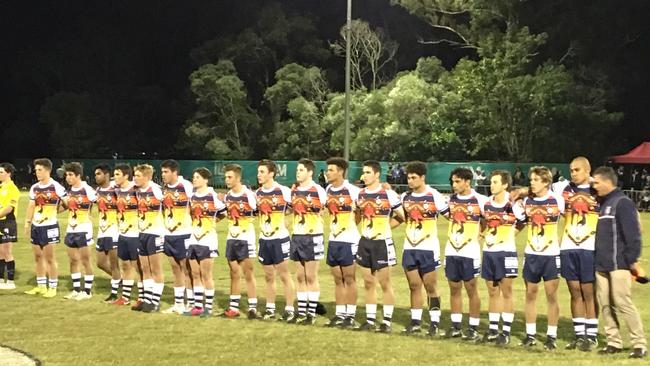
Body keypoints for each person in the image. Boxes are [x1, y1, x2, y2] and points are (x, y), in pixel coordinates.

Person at [592, 166, 647, 359]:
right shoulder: (604, 203)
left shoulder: (622, 202)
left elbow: (633, 235)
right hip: (602, 264)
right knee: (606, 305)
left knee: (623, 303)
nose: (594, 186)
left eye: (596, 182)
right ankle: (613, 341)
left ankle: (639, 343)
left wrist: (632, 261)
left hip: (619, 264)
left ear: (608, 182)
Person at [552, 157, 599, 351]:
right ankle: (580, 334)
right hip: (568, 246)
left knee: (588, 291)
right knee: (574, 290)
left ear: (588, 170)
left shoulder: (598, 190)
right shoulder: (565, 189)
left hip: (589, 247)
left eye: (577, 170)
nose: (573, 173)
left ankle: (592, 335)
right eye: (571, 170)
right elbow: (542, 186)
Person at [354, 160, 404, 333]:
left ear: (377, 175)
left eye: (368, 172)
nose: (364, 176)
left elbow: (402, 216)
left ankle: (386, 322)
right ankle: (369, 320)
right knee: (368, 282)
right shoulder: (360, 195)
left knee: (385, 283)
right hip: (365, 242)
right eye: (363, 172)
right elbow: (358, 216)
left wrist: (386, 228)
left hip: (382, 243)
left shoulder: (388, 195)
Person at [519, 166, 564, 350]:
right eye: (531, 180)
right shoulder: (527, 202)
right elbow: (519, 223)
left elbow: (570, 220)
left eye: (536, 180)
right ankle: (530, 334)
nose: (532, 183)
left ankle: (551, 336)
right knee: (530, 294)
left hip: (551, 254)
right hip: (531, 254)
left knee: (551, 296)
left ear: (546, 182)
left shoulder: (557, 201)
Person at [400, 162, 447, 336]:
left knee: (430, 286)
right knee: (413, 285)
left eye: (413, 178)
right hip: (409, 247)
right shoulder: (405, 197)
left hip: (428, 248)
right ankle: (415, 321)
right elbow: (401, 217)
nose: (410, 181)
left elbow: (451, 216)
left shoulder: (434, 195)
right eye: (408, 177)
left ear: (422, 178)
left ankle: (434, 322)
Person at [441, 167, 488, 341]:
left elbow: (489, 220)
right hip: (452, 249)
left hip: (470, 251)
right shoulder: (450, 200)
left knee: (471, 289)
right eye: (453, 181)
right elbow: (448, 217)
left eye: (457, 181)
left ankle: (473, 327)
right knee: (454, 288)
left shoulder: (480, 200)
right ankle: (456, 326)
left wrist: (481, 234)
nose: (454, 185)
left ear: (468, 182)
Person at [480, 170, 525, 346]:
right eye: (491, 182)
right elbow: (483, 221)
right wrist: (482, 234)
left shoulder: (512, 203)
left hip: (506, 252)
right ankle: (492, 329)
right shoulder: (487, 203)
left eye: (496, 182)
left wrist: (511, 234)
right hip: (489, 252)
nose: (492, 185)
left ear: (505, 185)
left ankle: (505, 331)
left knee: (506, 291)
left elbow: (523, 220)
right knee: (492, 291)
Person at [255, 159, 296, 322]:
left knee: (284, 274)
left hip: (279, 239)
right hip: (265, 239)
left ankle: (290, 309)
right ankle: (270, 309)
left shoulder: (283, 191)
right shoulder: (257, 194)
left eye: (262, 172)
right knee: (268, 275)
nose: (259, 175)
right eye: (258, 172)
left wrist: (287, 217)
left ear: (271, 173)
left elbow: (296, 207)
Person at [323, 157, 360, 328]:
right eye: (327, 170)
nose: (327, 173)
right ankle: (339, 313)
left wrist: (352, 226)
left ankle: (350, 316)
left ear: (340, 172)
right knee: (337, 279)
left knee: (349, 278)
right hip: (333, 240)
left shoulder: (353, 191)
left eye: (331, 170)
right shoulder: (329, 189)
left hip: (349, 241)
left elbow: (361, 212)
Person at [290, 158, 327, 325]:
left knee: (310, 276)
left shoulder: (318, 190)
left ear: (310, 172)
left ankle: (311, 313)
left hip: (312, 237)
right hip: (297, 236)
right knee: (299, 276)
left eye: (301, 170)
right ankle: (302, 311)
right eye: (297, 170)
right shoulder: (295, 191)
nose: (298, 172)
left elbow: (325, 209)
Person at [185, 167, 226, 317]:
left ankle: (208, 307)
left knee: (206, 274)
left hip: (207, 240)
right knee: (195, 273)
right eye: (193, 177)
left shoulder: (212, 196)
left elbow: (224, 212)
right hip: (193, 238)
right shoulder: (193, 197)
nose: (194, 179)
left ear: (205, 180)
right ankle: (197, 306)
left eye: (197, 177)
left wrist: (213, 221)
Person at [24, 158, 66, 298]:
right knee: (38, 256)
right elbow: (31, 205)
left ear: (48, 170)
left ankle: (52, 287)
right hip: (37, 226)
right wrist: (28, 223)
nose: (37, 173)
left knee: (50, 257)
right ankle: (41, 285)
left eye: (40, 170)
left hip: (50, 226)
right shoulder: (34, 188)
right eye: (36, 170)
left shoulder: (56, 187)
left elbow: (67, 203)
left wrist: (56, 211)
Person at [222, 164, 259, 319]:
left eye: (229, 177)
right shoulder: (227, 196)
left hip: (246, 238)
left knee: (248, 273)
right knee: (234, 273)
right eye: (225, 177)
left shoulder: (249, 195)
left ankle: (252, 307)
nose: (226, 180)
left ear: (238, 178)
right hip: (232, 238)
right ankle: (233, 307)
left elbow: (258, 211)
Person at [160, 160, 194, 315]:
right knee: (175, 269)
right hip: (169, 234)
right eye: (162, 172)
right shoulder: (165, 189)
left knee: (186, 269)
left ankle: (192, 302)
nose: (163, 175)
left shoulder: (185, 186)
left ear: (175, 172)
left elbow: (196, 205)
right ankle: (178, 303)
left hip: (184, 234)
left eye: (166, 172)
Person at [62, 162, 97, 301]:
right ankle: (76, 289)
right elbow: (66, 207)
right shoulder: (69, 191)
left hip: (83, 228)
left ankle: (87, 291)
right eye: (66, 175)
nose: (68, 177)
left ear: (78, 175)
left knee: (85, 260)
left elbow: (98, 202)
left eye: (70, 175)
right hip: (71, 228)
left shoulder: (87, 189)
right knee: (73, 260)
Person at [134, 164, 166, 313]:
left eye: (138, 176)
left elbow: (168, 206)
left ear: (146, 177)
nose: (135, 178)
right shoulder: (139, 191)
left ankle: (156, 301)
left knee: (155, 268)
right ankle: (147, 299)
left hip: (155, 233)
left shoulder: (156, 190)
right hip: (142, 233)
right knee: (145, 267)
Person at [113, 164, 141, 307]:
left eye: (117, 174)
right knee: (125, 265)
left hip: (135, 234)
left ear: (125, 176)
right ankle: (125, 297)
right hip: (122, 233)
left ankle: (142, 297)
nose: (114, 177)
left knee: (138, 266)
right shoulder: (117, 191)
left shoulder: (136, 190)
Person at [94, 164, 122, 302]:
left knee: (114, 263)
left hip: (114, 231)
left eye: (98, 174)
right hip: (102, 230)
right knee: (100, 263)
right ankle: (121, 279)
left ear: (106, 175)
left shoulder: (116, 189)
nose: (96, 177)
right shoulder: (98, 190)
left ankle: (114, 292)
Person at [0, 163, 19, 290]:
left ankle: (11, 281)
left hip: (8, 222)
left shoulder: (13, 189)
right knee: (0, 253)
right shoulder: (1, 187)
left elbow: (9, 208)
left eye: (1, 172)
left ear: (8, 173)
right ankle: (1, 279)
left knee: (7, 252)